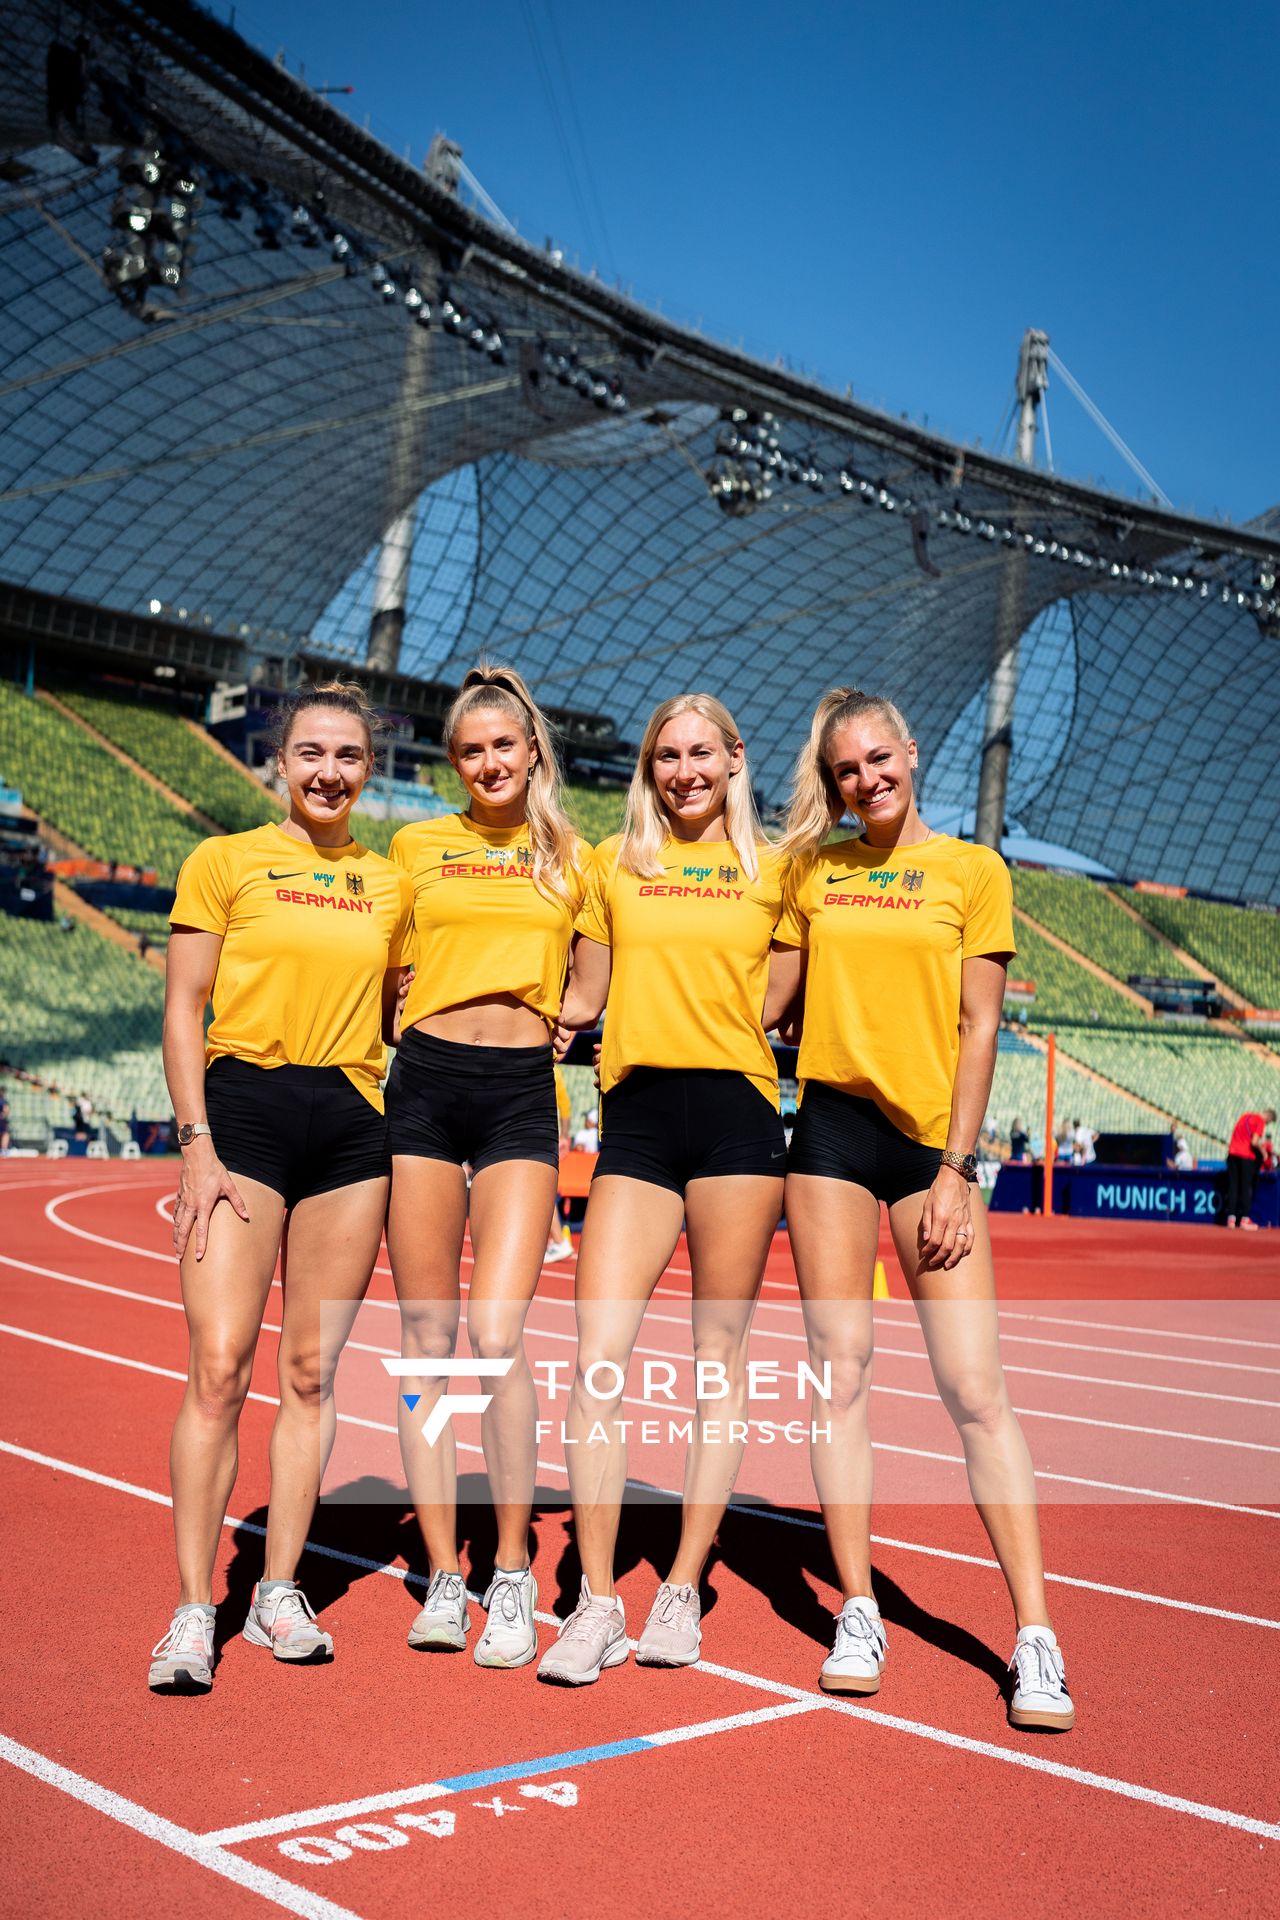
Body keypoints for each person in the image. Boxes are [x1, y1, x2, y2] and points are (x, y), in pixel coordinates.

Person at [770, 686, 1074, 1733]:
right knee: (838, 1376)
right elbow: (760, 997)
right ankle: (857, 1608)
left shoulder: (970, 871)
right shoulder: (810, 871)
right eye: (844, 770)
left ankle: (1033, 1635)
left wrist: (956, 1168)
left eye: (876, 760)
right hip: (827, 1137)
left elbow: (977, 1026)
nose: (865, 780)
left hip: (926, 1150)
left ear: (907, 753)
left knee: (973, 1389)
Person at [148, 681, 414, 1693]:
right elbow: (184, 1007)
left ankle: (277, 1590)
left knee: (310, 1374)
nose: (329, 772)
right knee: (220, 1367)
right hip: (243, 1116)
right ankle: (191, 1609)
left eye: (347, 756)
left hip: (352, 1128)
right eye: (310, 752)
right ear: (279, 759)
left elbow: (398, 1013)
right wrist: (196, 1143)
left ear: (367, 767)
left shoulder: (391, 887)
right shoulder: (226, 861)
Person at [538, 692, 794, 1685]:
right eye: (664, 756)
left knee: (717, 1359)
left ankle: (682, 1585)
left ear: (734, 758)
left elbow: (771, 1001)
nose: (683, 769)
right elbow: (587, 996)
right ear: (649, 770)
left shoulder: (778, 873)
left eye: (699, 752)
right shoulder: (613, 865)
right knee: (595, 1357)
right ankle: (597, 1600)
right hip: (636, 1125)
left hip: (733, 1119)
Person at [384, 665, 590, 1668]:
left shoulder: (571, 857)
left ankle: (510, 1569)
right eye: (469, 751)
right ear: (453, 762)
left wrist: (567, 1022)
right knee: (426, 1335)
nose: (488, 763)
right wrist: (390, 1005)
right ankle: (442, 1574)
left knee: (495, 1332)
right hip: (421, 1084)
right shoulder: (413, 846)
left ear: (532, 750)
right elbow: (375, 957)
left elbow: (594, 981)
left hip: (517, 1096)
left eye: (503, 745)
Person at [1225, 1107, 1276, 1229]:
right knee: (1246, 1186)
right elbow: (1254, 1142)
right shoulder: (1260, 1121)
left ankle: (1231, 1219)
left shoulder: (1245, 1116)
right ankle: (1244, 1219)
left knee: (1233, 1186)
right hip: (1245, 1156)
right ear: (1268, 1117)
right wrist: (1263, 1152)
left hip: (1232, 1153)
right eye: (1268, 1123)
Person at [545, 1064, 575, 1264]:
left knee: (537, 1189)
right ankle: (556, 1239)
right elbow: (564, 1105)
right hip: (546, 1132)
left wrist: (564, 1136)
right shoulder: (552, 1066)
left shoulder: (548, 1066)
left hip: (539, 1133)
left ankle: (558, 1239)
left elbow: (564, 1104)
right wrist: (564, 1135)